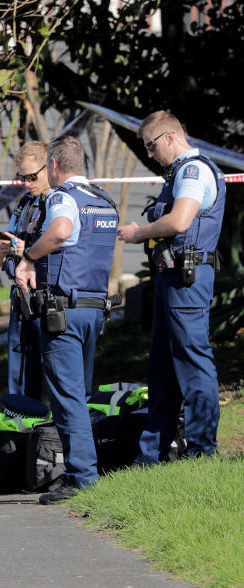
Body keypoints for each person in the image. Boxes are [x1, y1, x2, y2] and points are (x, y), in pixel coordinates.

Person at [14, 135, 119, 504]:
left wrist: (28, 257)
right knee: (81, 392)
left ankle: (81, 478)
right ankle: (86, 469)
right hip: (94, 310)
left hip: (64, 313)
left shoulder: (62, 197)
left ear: (54, 166)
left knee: (68, 397)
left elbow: (59, 231)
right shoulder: (104, 201)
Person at [118, 111, 225, 463]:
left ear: (169, 137)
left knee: (193, 362)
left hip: (187, 280)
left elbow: (179, 221)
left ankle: (201, 452)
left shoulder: (193, 171)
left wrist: (138, 234)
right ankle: (152, 456)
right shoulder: (178, 173)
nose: (149, 154)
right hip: (172, 279)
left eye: (150, 146)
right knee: (162, 366)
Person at [0, 141, 51, 399]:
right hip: (21, 299)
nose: (27, 183)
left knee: (54, 374)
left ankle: (52, 435)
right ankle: (21, 431)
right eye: (22, 177)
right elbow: (1, 258)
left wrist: (24, 250)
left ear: (49, 166)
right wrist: (2, 252)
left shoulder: (61, 202)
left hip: (48, 299)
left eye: (32, 176)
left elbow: (60, 248)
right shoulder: (24, 203)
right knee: (19, 376)